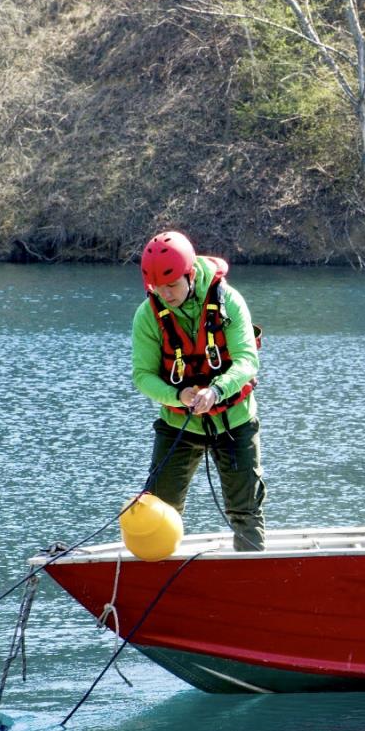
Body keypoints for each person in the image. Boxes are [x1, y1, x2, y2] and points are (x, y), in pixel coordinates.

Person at [131, 230, 266, 552]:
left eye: (172, 285)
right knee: (159, 510)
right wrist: (177, 396)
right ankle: (160, 579)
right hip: (179, 424)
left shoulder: (228, 301)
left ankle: (255, 578)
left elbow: (247, 361)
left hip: (234, 420)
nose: (166, 294)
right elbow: (143, 376)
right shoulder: (147, 316)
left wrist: (216, 392)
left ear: (190, 274)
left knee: (245, 510)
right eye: (158, 288)